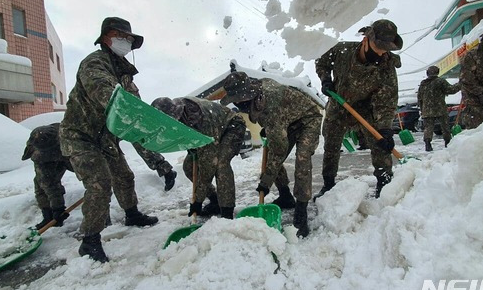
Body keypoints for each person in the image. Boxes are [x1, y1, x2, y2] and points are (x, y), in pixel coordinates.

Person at [59, 17, 158, 263]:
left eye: (128, 38)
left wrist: (158, 158)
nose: (124, 41)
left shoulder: (126, 76)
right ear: (105, 37)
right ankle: (90, 240)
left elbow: (137, 117)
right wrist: (130, 112)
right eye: (119, 36)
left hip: (105, 140)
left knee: (124, 176)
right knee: (100, 183)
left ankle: (132, 214)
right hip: (81, 137)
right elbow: (109, 97)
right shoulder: (93, 64)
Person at [221, 72, 322, 238]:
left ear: (247, 94)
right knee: (271, 160)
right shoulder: (257, 96)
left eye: (237, 98)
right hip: (287, 121)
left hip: (308, 119)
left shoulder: (270, 103)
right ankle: (285, 196)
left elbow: (278, 151)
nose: (236, 103)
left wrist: (265, 182)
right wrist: (270, 127)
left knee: (302, 159)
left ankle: (301, 211)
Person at [314, 19, 403, 199]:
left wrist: (385, 128)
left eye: (386, 49)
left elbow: (387, 99)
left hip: (366, 107)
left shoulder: (387, 65)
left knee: (379, 142)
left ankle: (384, 183)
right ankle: (328, 184)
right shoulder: (342, 50)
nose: (381, 53)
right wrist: (325, 79)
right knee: (331, 145)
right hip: (338, 103)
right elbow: (321, 60)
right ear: (365, 40)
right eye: (378, 47)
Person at [151, 96, 246, 219]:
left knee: (221, 165)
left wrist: (198, 200)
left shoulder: (201, 118)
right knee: (189, 167)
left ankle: (227, 212)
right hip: (210, 134)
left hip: (231, 126)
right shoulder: (177, 115)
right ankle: (215, 200)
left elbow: (208, 166)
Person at [22, 123, 74, 229]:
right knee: (41, 183)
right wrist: (57, 208)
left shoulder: (68, 136)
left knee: (94, 183)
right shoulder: (37, 149)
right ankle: (48, 216)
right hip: (48, 156)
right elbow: (48, 183)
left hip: (70, 155)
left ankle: (101, 214)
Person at [417, 66, 460, 151]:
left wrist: (422, 109)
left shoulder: (423, 83)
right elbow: (451, 90)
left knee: (428, 128)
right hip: (440, 108)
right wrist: (460, 84)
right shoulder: (440, 81)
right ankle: (448, 143)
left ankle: (427, 143)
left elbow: (419, 97)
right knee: (445, 127)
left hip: (427, 110)